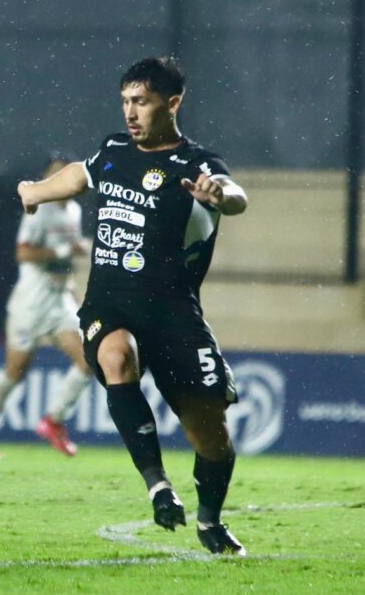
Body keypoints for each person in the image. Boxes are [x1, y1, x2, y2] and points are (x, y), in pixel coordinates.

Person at [17, 56, 248, 555]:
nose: (130, 113)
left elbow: (235, 196)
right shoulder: (115, 150)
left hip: (174, 312)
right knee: (115, 356)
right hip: (110, 302)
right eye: (125, 102)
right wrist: (34, 191)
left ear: (173, 103)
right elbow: (82, 174)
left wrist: (220, 194)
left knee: (211, 436)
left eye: (140, 102)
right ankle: (158, 486)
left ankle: (210, 520)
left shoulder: (198, 166)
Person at [0, 157, 92, 458]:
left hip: (60, 298)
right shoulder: (39, 211)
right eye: (53, 175)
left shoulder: (74, 211)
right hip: (32, 302)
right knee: (16, 371)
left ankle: (54, 420)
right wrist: (66, 249)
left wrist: (75, 294)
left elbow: (65, 261)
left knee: (89, 359)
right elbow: (22, 254)